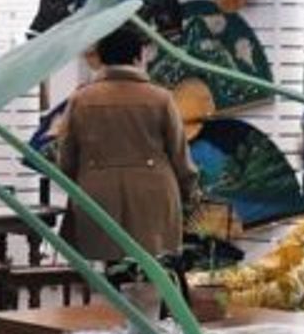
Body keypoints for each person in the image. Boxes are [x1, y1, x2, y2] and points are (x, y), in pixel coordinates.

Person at [55, 25, 199, 262]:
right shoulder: (161, 98)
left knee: (102, 273)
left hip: (96, 195)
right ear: (139, 56)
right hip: (154, 195)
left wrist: (82, 181)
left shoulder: (81, 99)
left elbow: (66, 157)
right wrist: (189, 190)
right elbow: (179, 154)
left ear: (101, 58)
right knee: (154, 266)